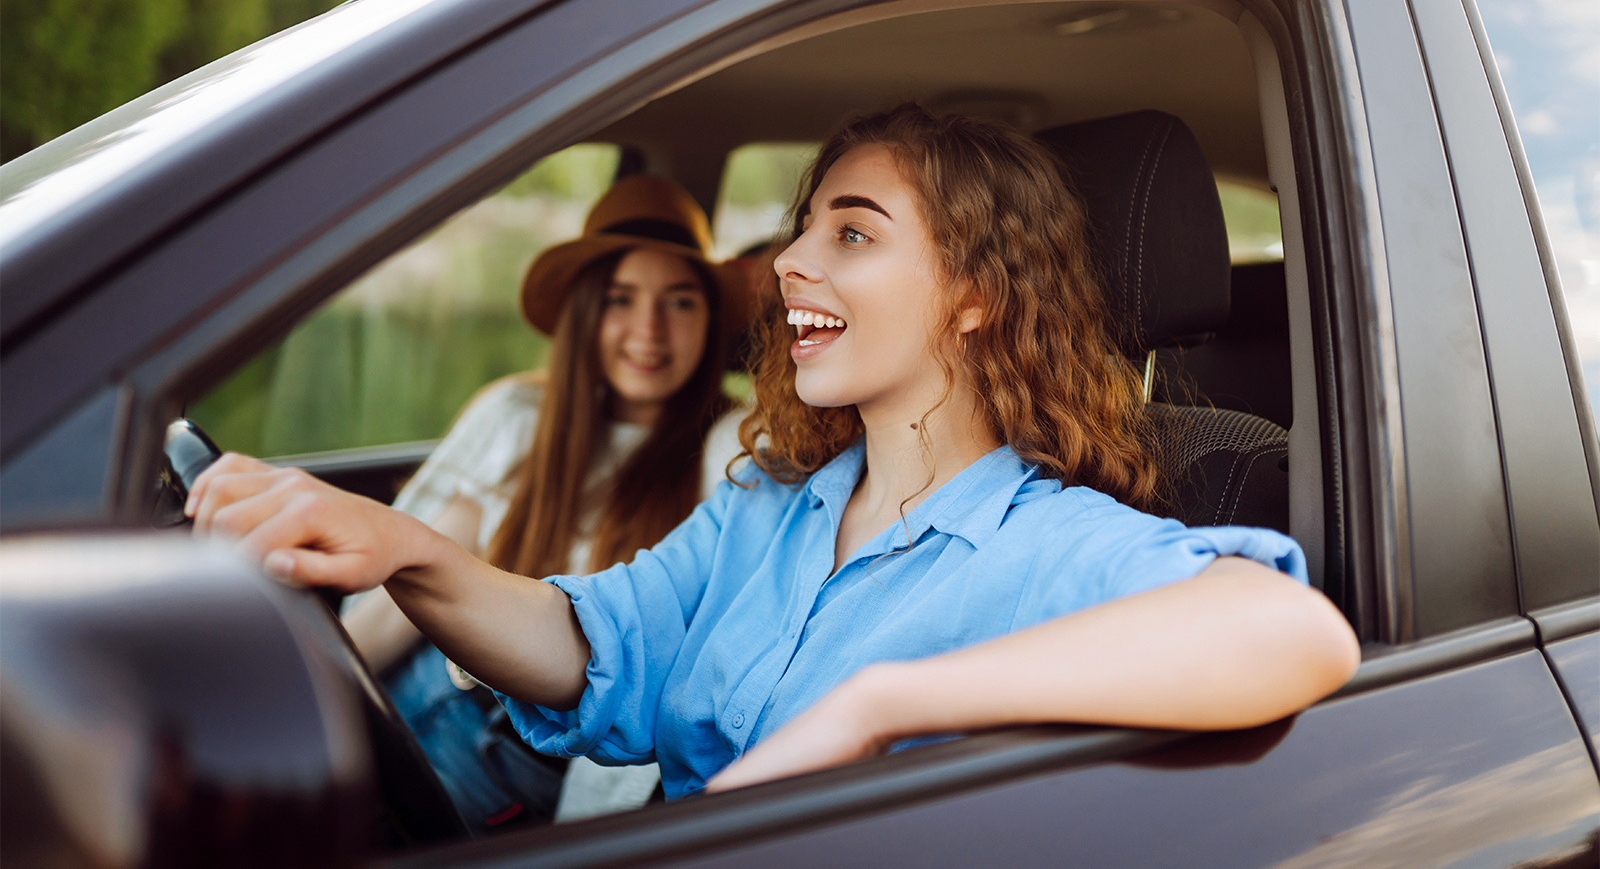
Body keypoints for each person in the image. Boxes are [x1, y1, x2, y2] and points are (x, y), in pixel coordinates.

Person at [189, 105, 1360, 801]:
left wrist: (882, 705)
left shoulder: (1044, 541)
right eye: (803, 227)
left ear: (975, 297)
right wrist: (401, 548)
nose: (791, 261)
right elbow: (595, 644)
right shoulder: (768, 504)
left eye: (850, 232)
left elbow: (1293, 631)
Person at [340, 174, 749, 828]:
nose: (649, 330)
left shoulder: (727, 446)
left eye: (680, 303)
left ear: (711, 324)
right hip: (416, 687)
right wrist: (319, 680)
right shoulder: (518, 415)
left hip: (513, 755)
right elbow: (404, 595)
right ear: (586, 310)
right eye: (621, 299)